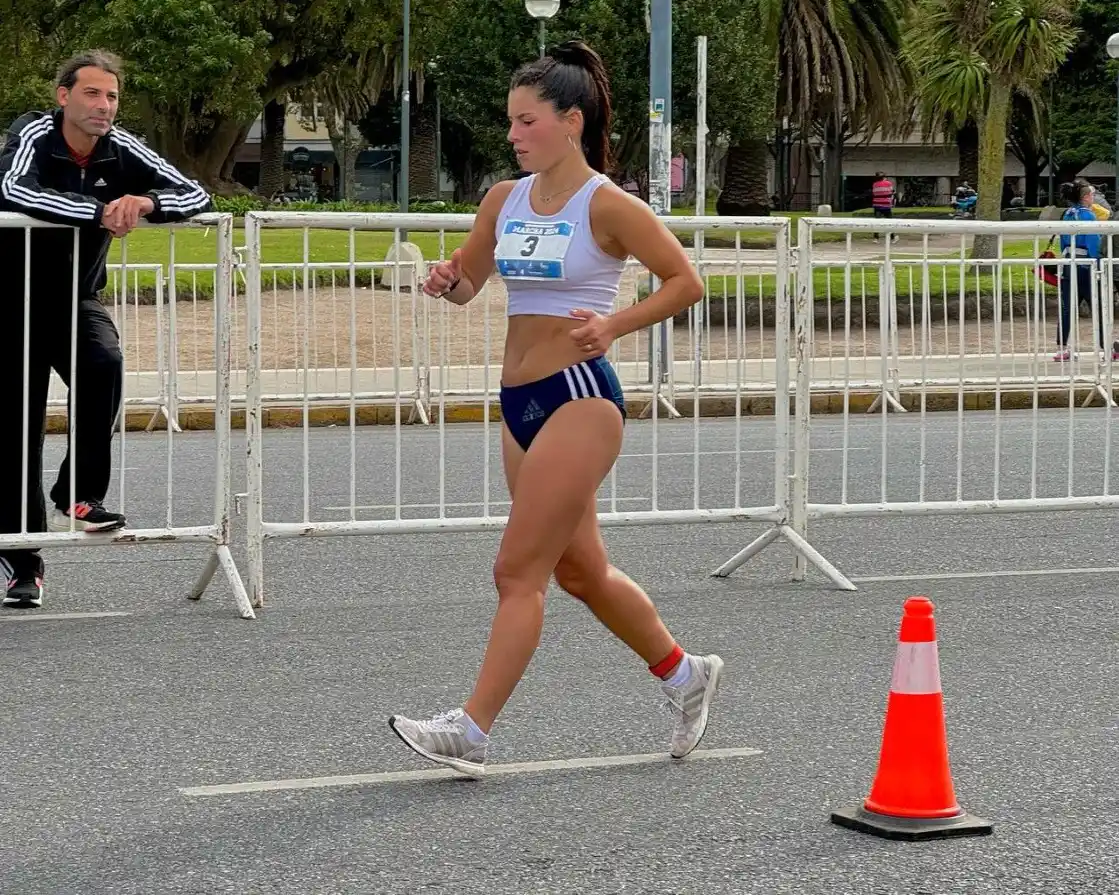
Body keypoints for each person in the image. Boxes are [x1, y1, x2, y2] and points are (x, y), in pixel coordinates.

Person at [388, 40, 721, 778]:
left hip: (579, 396)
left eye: (526, 121)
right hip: (520, 401)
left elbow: (684, 282)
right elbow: (470, 283)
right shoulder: (503, 199)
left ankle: (472, 729)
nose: (513, 134)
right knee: (581, 571)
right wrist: (445, 282)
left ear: (571, 122)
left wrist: (615, 325)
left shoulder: (608, 205)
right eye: (510, 121)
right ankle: (683, 673)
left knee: (517, 571)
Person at [0, 50, 211, 608]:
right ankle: (23, 562)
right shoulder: (32, 135)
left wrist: (146, 201)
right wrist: (96, 210)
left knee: (104, 363)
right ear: (63, 96)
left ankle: (79, 494)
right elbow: (12, 191)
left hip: (75, 299)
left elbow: (197, 194)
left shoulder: (122, 146)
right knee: (17, 431)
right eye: (92, 93)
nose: (104, 106)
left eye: (112, 96)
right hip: (11, 302)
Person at [1052, 179, 1112, 363]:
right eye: (1092, 195)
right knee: (1099, 307)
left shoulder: (1068, 214)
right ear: (1086, 197)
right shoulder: (1088, 216)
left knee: (1067, 307)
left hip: (1068, 263)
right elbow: (1093, 244)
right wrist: (1098, 263)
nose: (1093, 197)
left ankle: (1062, 348)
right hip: (1086, 265)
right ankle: (1106, 348)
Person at [871, 171, 895, 242]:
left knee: (877, 222)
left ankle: (876, 238)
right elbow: (891, 191)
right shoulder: (888, 183)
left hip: (877, 205)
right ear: (883, 177)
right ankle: (892, 238)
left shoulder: (874, 184)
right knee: (890, 222)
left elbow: (874, 193)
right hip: (886, 205)